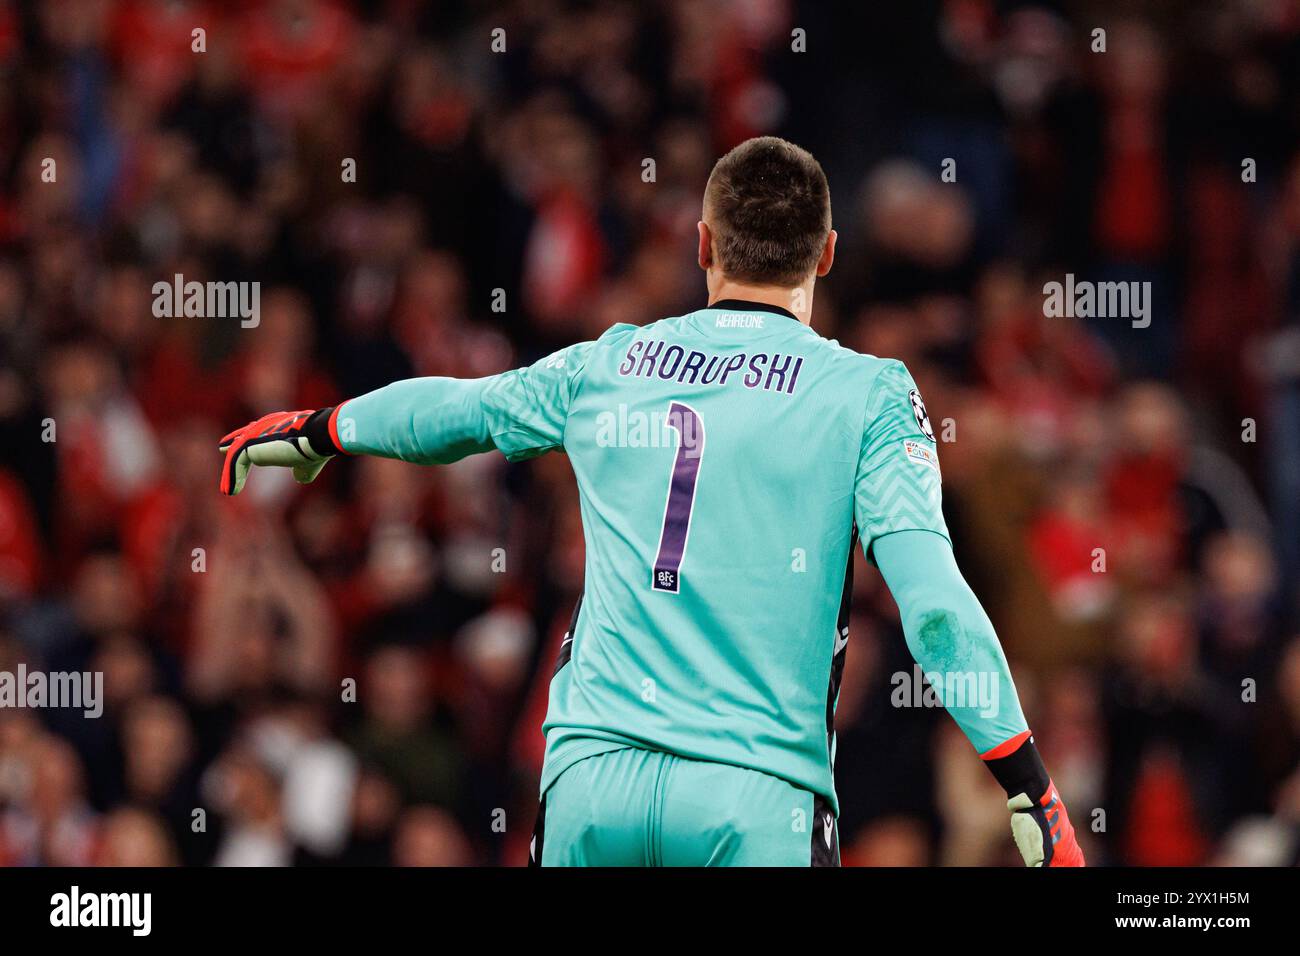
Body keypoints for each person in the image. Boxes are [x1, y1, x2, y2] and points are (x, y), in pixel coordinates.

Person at [217, 136, 1085, 867]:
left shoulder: (610, 365)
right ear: (825, 253)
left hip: (592, 780)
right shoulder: (868, 395)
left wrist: (325, 428)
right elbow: (934, 607)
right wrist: (1026, 780)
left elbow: (458, 409)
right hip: (755, 799)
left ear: (703, 245)